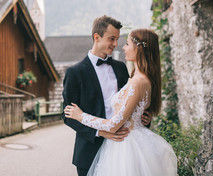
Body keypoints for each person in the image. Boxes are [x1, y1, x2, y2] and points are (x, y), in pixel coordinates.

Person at [64, 28, 177, 175]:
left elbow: (122, 118)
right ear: (97, 37)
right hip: (91, 149)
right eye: (112, 39)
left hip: (125, 146)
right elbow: (66, 113)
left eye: (126, 43)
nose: (119, 45)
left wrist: (81, 115)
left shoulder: (127, 73)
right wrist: (100, 132)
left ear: (139, 48)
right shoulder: (75, 72)